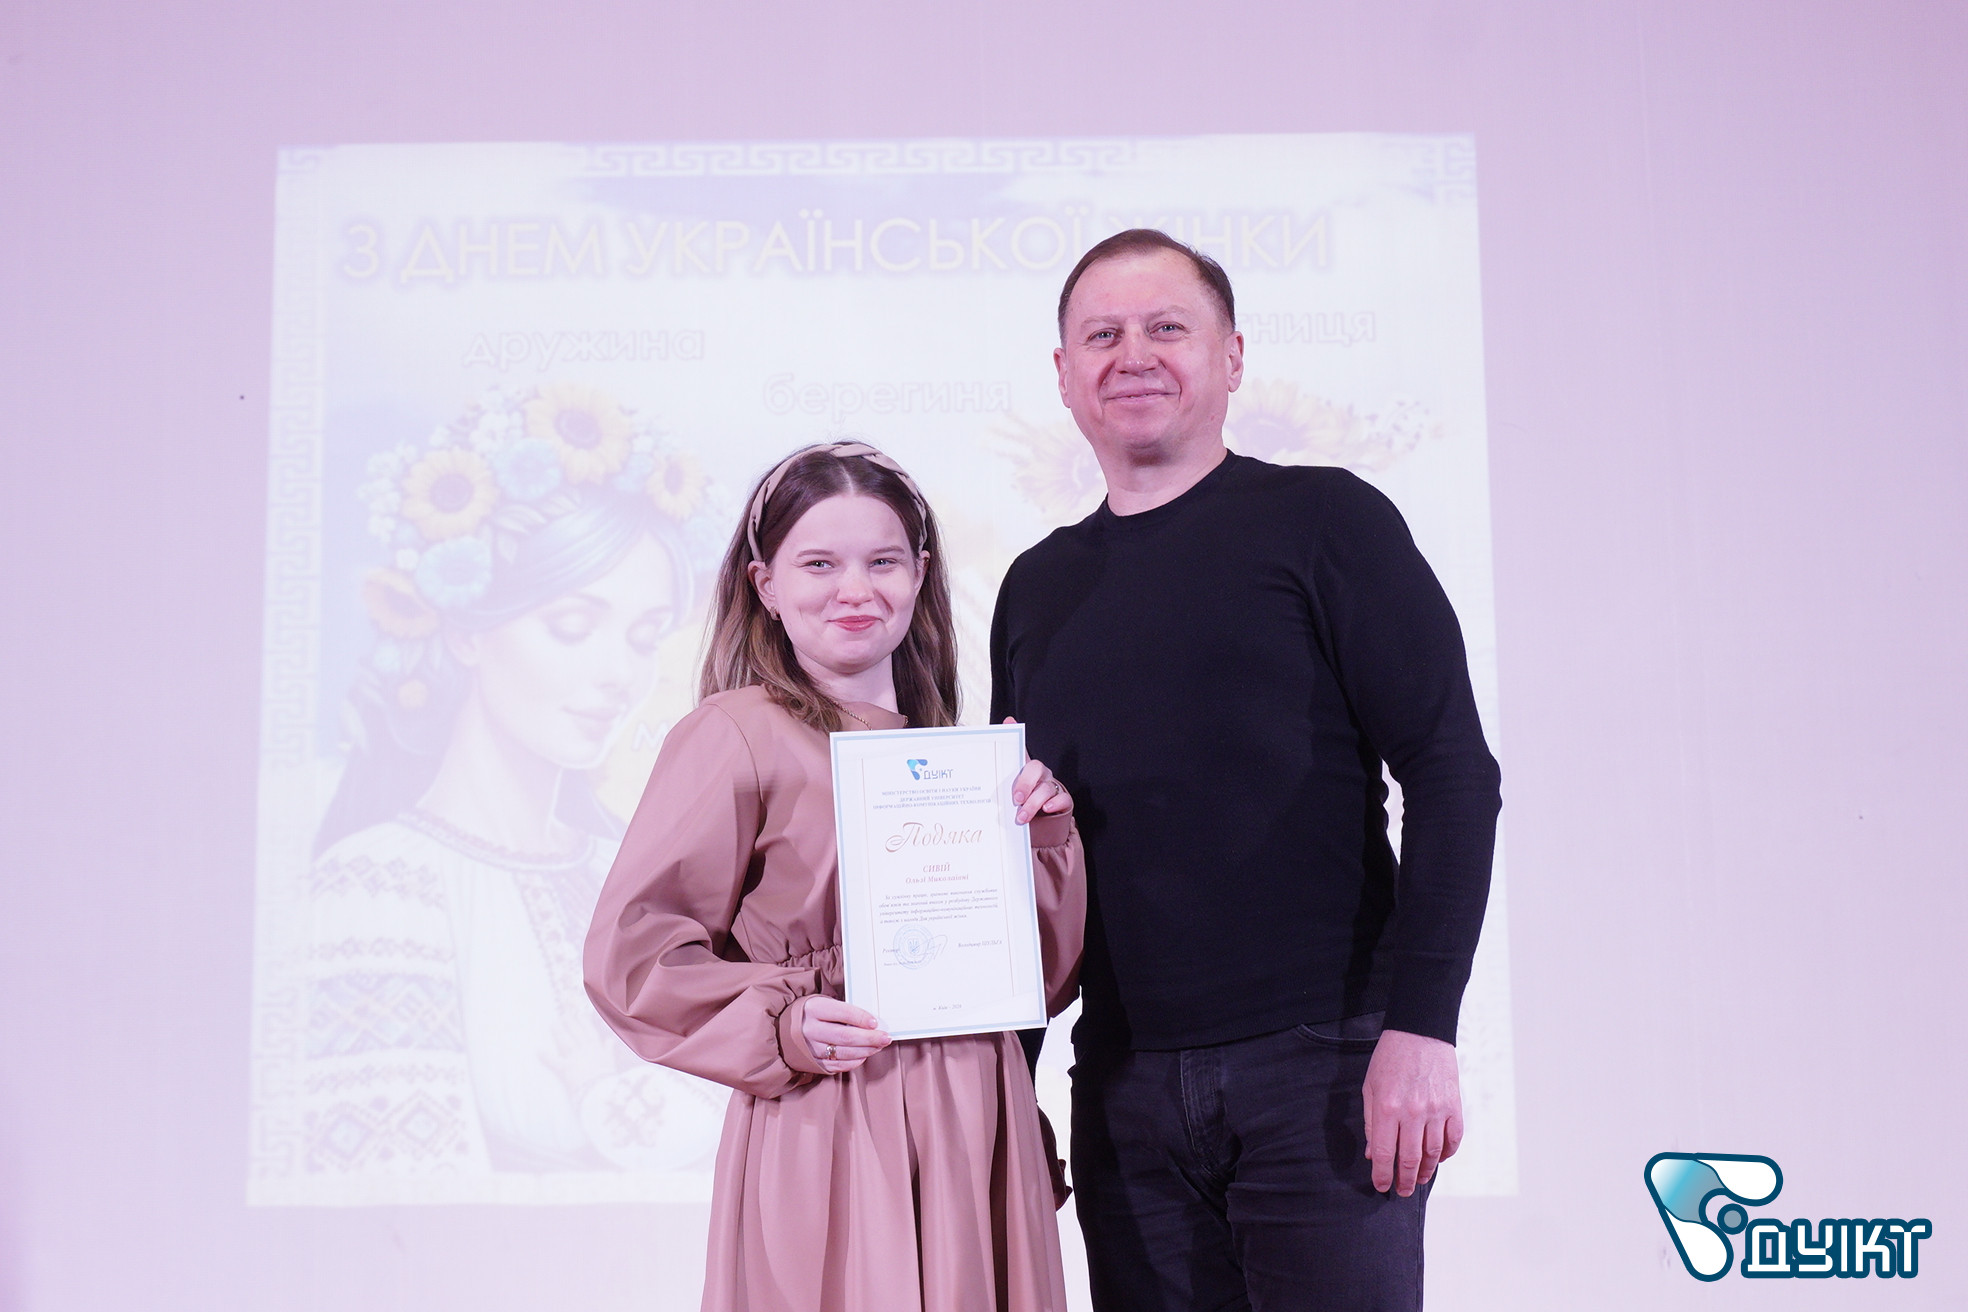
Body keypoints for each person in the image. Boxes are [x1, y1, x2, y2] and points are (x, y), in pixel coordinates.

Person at [990, 230, 1503, 1311]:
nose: (1134, 354)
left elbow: (1452, 771)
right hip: (1121, 1090)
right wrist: (1008, 1094)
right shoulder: (1035, 588)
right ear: (1064, 375)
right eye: (1103, 335)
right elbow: (1019, 863)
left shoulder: (1324, 521)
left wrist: (1423, 1026)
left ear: (1231, 357)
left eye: (1167, 327)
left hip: (1322, 1064)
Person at [584, 442, 1086, 1312]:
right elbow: (633, 958)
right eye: (819, 564)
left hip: (978, 1108)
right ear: (765, 584)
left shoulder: (955, 756)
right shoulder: (734, 734)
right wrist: (782, 1023)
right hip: (835, 1109)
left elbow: (1038, 982)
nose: (855, 590)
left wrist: (1043, 837)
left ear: (919, 575)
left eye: (882, 562)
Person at [300, 382, 728, 1187]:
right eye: (572, 626)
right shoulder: (377, 886)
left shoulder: (636, 873)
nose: (618, 674)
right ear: (468, 631)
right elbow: (397, 1208)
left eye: (643, 639)